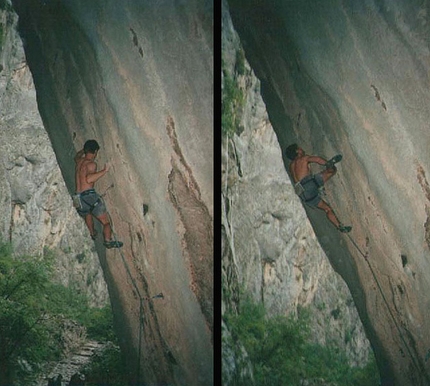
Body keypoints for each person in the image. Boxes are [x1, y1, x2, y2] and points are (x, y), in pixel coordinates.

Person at [285, 144, 352, 233]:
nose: (302, 148)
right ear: (297, 151)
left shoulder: (291, 166)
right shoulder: (303, 158)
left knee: (327, 209)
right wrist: (327, 163)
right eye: (299, 148)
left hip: (303, 195)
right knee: (331, 171)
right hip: (309, 184)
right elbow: (317, 159)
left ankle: (340, 227)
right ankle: (330, 167)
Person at [74, 139, 123, 248]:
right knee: (106, 222)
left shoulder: (79, 161)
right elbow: (89, 179)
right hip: (89, 196)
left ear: (86, 150)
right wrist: (104, 171)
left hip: (78, 198)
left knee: (88, 213)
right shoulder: (91, 164)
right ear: (95, 151)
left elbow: (76, 156)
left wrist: (83, 150)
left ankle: (92, 233)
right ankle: (108, 241)